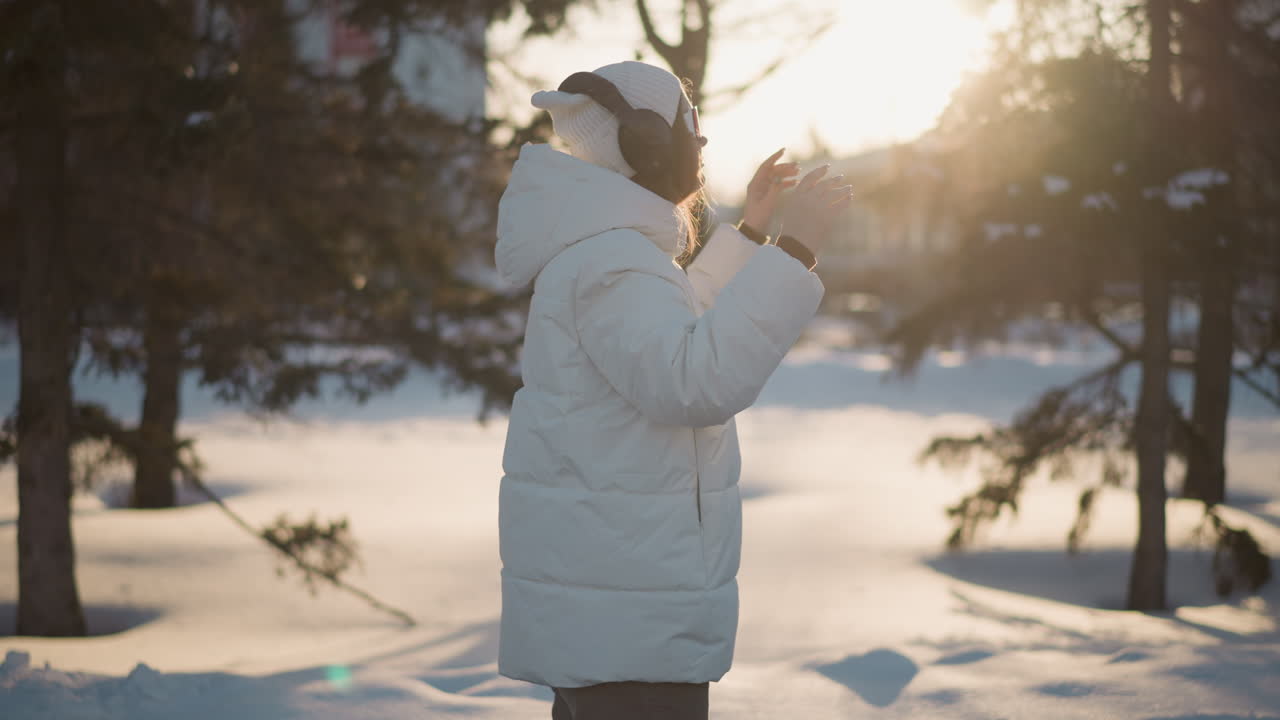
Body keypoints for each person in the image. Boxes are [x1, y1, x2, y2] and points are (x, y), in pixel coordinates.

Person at [493, 60, 852, 720]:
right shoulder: (612, 261)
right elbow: (694, 380)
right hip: (632, 623)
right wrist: (796, 248)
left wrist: (749, 234)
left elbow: (670, 335)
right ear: (645, 145)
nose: (703, 142)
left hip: (614, 608)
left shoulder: (609, 253)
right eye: (691, 126)